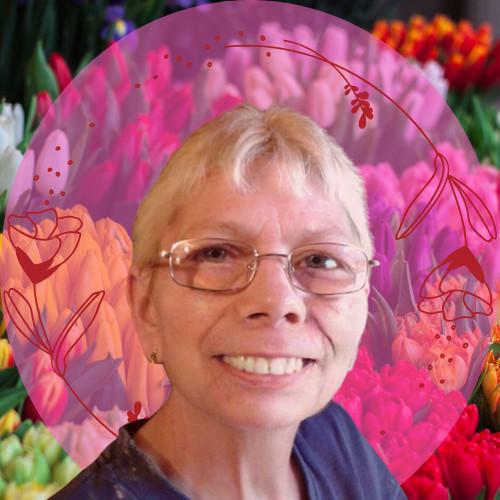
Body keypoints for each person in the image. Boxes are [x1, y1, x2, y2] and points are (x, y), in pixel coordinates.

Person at [51, 104, 406, 499]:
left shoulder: (336, 441)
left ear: (363, 298)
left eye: (319, 261)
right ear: (146, 306)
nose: (276, 301)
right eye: (216, 254)